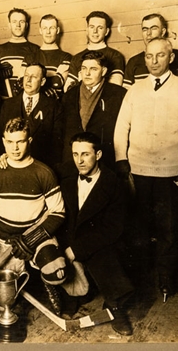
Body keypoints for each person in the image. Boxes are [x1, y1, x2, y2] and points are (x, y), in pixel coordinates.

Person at [114, 38, 178, 300]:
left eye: (160, 56)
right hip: (138, 170)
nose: (153, 61)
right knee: (139, 227)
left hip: (171, 172)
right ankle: (142, 278)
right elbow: (121, 127)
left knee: (168, 229)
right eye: (148, 56)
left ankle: (166, 278)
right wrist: (122, 159)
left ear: (171, 58)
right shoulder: (135, 90)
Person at [0, 117, 68, 314]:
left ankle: (48, 284)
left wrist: (31, 240)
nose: (15, 148)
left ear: (29, 141)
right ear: (4, 141)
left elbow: (58, 213)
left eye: (20, 142)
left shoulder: (44, 173)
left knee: (57, 271)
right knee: (4, 304)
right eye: (10, 142)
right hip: (5, 243)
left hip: (35, 237)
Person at [58, 132, 135, 335]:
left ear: (98, 154)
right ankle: (72, 294)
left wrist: (77, 249)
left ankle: (114, 304)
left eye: (85, 154)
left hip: (100, 240)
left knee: (107, 251)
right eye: (75, 154)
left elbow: (113, 228)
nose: (79, 160)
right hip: (70, 235)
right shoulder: (65, 176)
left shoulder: (114, 183)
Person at [60, 50, 126, 175]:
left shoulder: (118, 95)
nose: (87, 73)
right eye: (84, 68)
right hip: (73, 162)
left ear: (104, 71)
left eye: (93, 69)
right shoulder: (69, 95)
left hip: (104, 161)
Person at [0, 63, 63, 170]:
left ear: (42, 82)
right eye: (26, 76)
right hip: (11, 166)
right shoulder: (8, 105)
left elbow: (56, 145)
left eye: (34, 77)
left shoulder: (54, 107)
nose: (28, 80)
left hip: (41, 167)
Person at [123, 13, 178, 88]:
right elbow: (127, 94)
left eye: (153, 28)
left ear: (163, 32)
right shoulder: (133, 61)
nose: (148, 33)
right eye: (145, 29)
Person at [67, 11, 125, 89]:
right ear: (87, 29)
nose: (95, 31)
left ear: (107, 31)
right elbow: (68, 87)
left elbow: (115, 85)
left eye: (100, 28)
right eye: (92, 27)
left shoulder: (115, 56)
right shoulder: (77, 57)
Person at [0, 8, 42, 97]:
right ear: (9, 25)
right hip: (4, 99)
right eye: (14, 21)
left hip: (26, 99)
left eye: (22, 22)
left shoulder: (35, 49)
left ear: (26, 25)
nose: (18, 25)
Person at [23, 14, 71, 99]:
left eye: (52, 28)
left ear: (57, 30)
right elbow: (21, 82)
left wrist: (35, 80)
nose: (48, 32)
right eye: (45, 28)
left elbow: (57, 82)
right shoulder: (30, 56)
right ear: (40, 30)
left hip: (55, 105)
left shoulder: (66, 57)